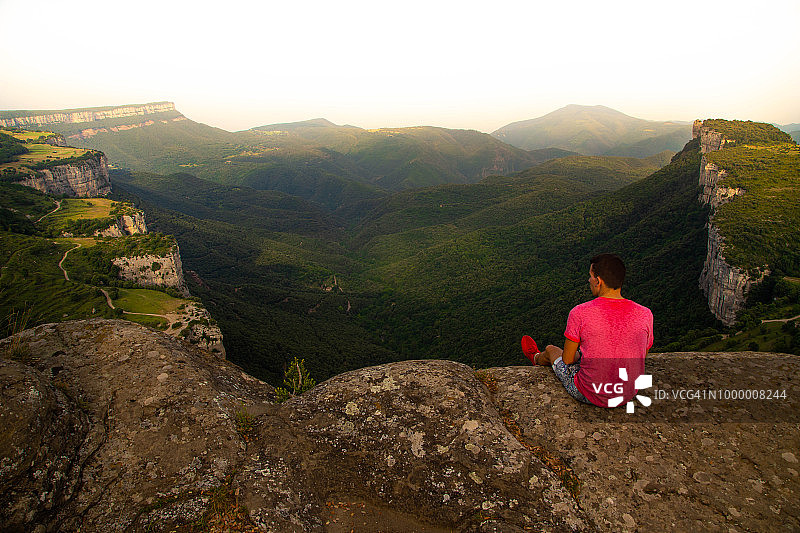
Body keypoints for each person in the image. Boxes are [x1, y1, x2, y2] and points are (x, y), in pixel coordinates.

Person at [521, 253, 653, 407]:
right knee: (587, 352)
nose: (588, 280)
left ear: (598, 281)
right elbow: (641, 355)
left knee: (552, 350)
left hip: (590, 393)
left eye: (590, 276)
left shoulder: (580, 312)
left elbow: (568, 360)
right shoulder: (645, 313)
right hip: (628, 393)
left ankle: (536, 357)